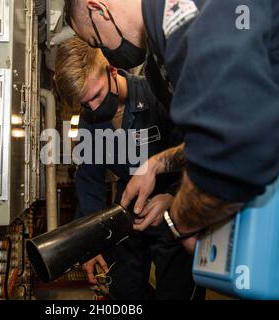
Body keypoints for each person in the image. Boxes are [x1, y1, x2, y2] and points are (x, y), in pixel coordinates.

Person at [63, 0, 279, 297]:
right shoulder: (162, 55)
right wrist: (156, 164)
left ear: (99, 9)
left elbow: (236, 153)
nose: (106, 50)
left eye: (97, 41)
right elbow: (210, 136)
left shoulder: (182, 16)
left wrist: (180, 217)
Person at [54, 37, 202, 300]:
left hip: (175, 209)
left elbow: (195, 152)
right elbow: (89, 183)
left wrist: (172, 198)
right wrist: (90, 243)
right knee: (123, 294)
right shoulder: (92, 121)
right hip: (128, 216)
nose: (94, 108)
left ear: (111, 70)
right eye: (85, 104)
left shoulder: (157, 93)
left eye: (97, 95)